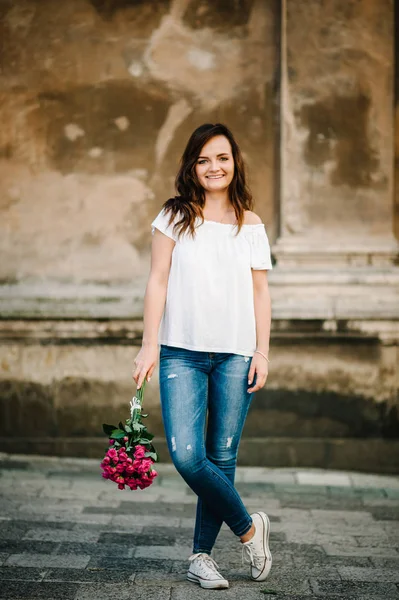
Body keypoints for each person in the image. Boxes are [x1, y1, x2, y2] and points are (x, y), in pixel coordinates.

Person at [132, 123, 273, 590]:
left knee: (222, 455)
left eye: (223, 158)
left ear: (235, 163)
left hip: (235, 353)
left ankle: (201, 556)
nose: (215, 167)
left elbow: (260, 293)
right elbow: (157, 280)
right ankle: (250, 530)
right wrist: (149, 344)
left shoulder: (250, 225)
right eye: (204, 159)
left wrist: (262, 353)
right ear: (193, 166)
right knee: (189, 456)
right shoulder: (174, 215)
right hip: (181, 353)